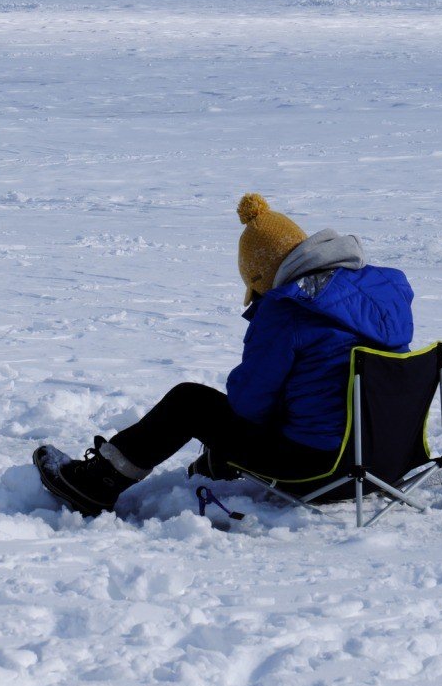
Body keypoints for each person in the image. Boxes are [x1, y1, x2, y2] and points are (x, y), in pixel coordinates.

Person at [34, 193, 415, 517]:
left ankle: (93, 485)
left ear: (261, 278)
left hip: (322, 471)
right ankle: (219, 462)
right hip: (388, 462)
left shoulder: (287, 311)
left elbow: (249, 405)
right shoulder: (382, 293)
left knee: (190, 402)